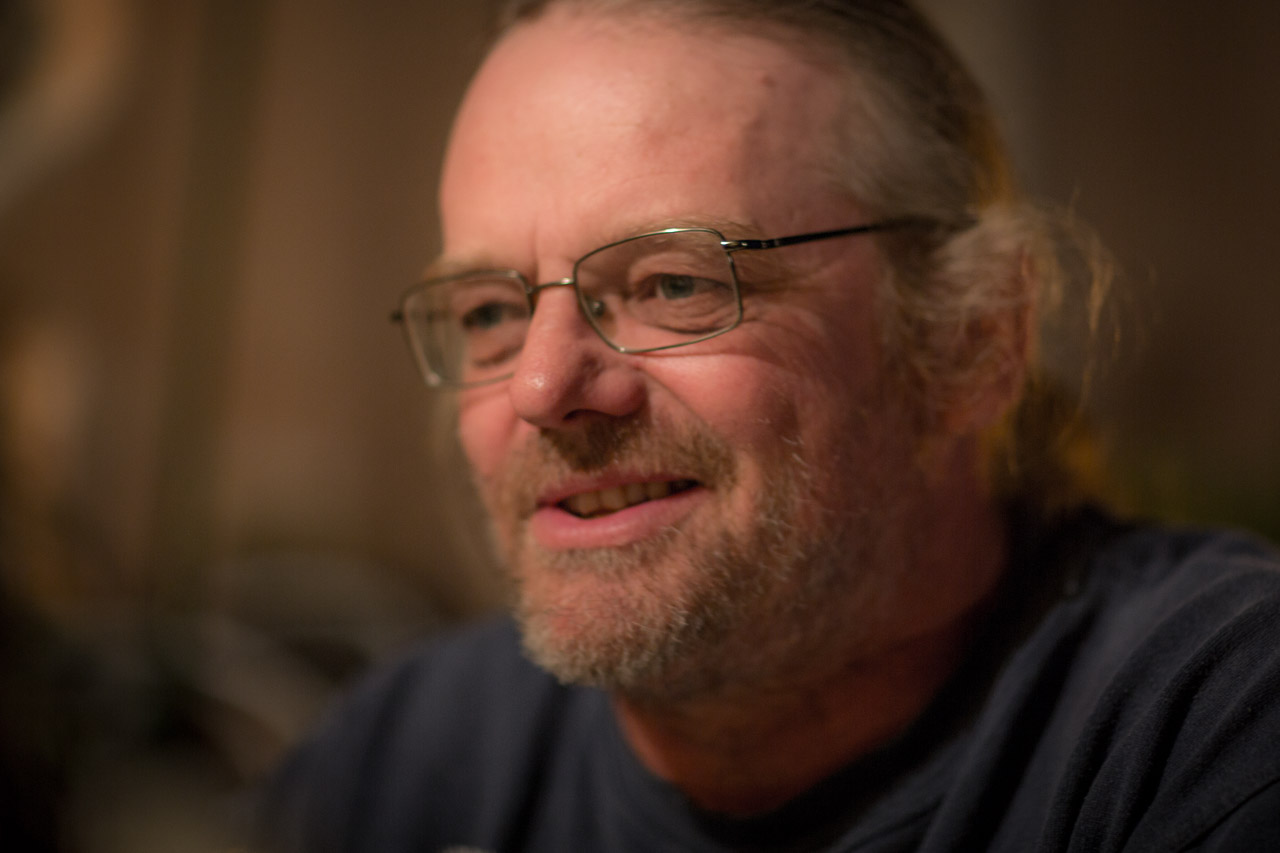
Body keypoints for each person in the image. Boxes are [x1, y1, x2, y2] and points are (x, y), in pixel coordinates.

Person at [255, 1, 1280, 850]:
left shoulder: (1212, 728)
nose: (540, 385)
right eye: (489, 310)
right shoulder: (402, 760)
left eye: (674, 283)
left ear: (970, 340)